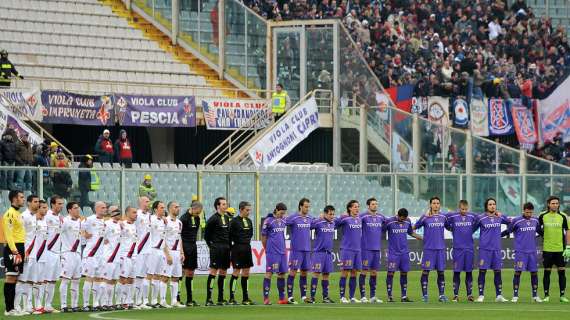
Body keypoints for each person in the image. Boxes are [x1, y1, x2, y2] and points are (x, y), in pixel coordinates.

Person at [502, 202, 542, 303]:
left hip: (532, 251)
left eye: (530, 212)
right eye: (527, 212)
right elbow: (508, 231)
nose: (529, 214)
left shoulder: (535, 220)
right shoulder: (516, 220)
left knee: (534, 273)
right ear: (523, 210)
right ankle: (515, 295)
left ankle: (535, 296)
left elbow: (540, 232)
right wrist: (497, 235)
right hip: (520, 252)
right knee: (518, 272)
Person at [474, 197, 510, 303]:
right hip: (484, 250)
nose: (492, 206)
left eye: (494, 204)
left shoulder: (499, 216)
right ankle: (481, 295)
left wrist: (504, 233)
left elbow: (510, 223)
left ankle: (499, 295)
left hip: (497, 250)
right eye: (490, 204)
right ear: (486, 206)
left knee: (498, 272)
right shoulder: (481, 218)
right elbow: (472, 229)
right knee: (482, 271)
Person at [414, 196, 449, 302]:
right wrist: (421, 238)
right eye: (434, 203)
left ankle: (441, 295)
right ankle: (425, 295)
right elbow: (412, 229)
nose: (436, 205)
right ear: (430, 205)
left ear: (440, 205)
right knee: (426, 272)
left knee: (441, 272)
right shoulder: (425, 217)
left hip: (440, 249)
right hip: (429, 249)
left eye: (438, 203)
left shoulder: (443, 217)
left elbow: (450, 227)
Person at [383, 208, 421, 302]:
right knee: (391, 273)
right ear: (398, 215)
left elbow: (411, 232)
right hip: (393, 253)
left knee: (404, 273)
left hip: (404, 253)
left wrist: (422, 238)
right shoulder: (390, 221)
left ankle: (404, 296)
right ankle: (389, 296)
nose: (403, 220)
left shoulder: (407, 221)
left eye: (404, 219)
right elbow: (381, 231)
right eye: (402, 219)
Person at [445, 200, 478, 302]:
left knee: (469, 272)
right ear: (459, 208)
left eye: (466, 209)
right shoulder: (453, 216)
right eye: (462, 209)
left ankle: (469, 295)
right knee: (457, 272)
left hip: (469, 249)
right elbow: (444, 221)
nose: (464, 211)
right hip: (457, 249)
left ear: (468, 208)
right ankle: (455, 295)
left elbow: (480, 220)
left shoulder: (472, 216)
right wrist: (451, 228)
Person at [538, 196, 570, 303]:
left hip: (560, 249)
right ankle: (546, 296)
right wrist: (544, 235)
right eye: (553, 203)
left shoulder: (563, 216)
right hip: (547, 249)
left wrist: (568, 246)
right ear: (548, 204)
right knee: (547, 273)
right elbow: (537, 228)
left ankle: (562, 296)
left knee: (562, 272)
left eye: (557, 203)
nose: (555, 205)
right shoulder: (542, 216)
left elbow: (568, 231)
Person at [285, 198, 313, 304]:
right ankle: (290, 297)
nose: (307, 208)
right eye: (306, 206)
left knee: (304, 272)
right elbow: (283, 222)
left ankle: (304, 296)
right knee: (292, 272)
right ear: (300, 206)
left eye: (308, 206)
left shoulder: (310, 218)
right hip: (296, 250)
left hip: (306, 250)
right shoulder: (293, 218)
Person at [204, 197, 231, 306]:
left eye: (226, 204)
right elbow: (206, 235)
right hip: (216, 248)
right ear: (218, 206)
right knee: (213, 271)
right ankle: (209, 299)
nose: (226, 206)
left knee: (223, 272)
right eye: (223, 204)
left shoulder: (227, 218)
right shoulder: (213, 219)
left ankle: (220, 298)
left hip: (226, 248)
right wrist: (212, 246)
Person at [2, 189, 25, 316]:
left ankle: (13, 307)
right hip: (13, 248)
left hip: (19, 247)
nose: (23, 199)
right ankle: (9, 309)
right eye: (21, 197)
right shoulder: (9, 214)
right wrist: (15, 252)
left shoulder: (18, 213)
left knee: (15, 278)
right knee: (10, 278)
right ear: (15, 199)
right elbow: (9, 235)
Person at [15, 195, 39, 314]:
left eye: (38, 202)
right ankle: (16, 305)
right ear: (29, 203)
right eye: (35, 202)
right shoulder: (23, 216)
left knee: (30, 280)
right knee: (21, 280)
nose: (37, 204)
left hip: (34, 253)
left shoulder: (35, 217)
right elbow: (19, 235)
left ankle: (27, 306)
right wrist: (22, 252)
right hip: (26, 252)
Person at [81, 201, 107, 312]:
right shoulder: (90, 219)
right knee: (89, 278)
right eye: (102, 207)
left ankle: (96, 303)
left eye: (105, 208)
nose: (104, 209)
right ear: (96, 209)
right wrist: (85, 235)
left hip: (101, 254)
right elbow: (81, 228)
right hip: (91, 254)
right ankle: (86, 304)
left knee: (98, 279)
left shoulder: (105, 222)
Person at [359, 198, 385, 303]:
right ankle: (363, 296)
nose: (375, 206)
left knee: (374, 272)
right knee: (364, 271)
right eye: (373, 204)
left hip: (376, 249)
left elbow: (391, 221)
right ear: (368, 206)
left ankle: (373, 296)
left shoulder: (381, 217)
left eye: (376, 204)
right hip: (366, 248)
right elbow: (353, 219)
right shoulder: (363, 216)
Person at [336, 200, 363, 303]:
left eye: (358, 207)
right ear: (350, 208)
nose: (357, 208)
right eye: (355, 207)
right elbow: (335, 224)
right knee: (344, 272)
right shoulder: (345, 219)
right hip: (347, 249)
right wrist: (340, 216)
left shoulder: (359, 219)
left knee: (354, 273)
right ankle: (342, 297)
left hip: (357, 250)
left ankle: (352, 297)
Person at [261, 203, 288, 305]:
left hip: (282, 252)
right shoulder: (268, 221)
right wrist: (267, 249)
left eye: (284, 213)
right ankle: (266, 298)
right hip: (272, 252)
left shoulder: (283, 220)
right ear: (276, 210)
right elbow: (263, 237)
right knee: (269, 273)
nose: (282, 215)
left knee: (281, 274)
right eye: (281, 213)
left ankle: (281, 299)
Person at [228, 201, 255, 305]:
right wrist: (232, 248)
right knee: (236, 272)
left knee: (246, 272)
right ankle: (232, 297)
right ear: (241, 209)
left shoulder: (249, 221)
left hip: (247, 248)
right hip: (237, 248)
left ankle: (245, 298)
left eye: (249, 210)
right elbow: (229, 236)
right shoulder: (234, 221)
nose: (249, 212)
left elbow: (251, 233)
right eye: (247, 210)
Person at [309, 205, 336, 303]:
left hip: (328, 253)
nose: (332, 216)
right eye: (330, 214)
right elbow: (310, 225)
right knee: (316, 274)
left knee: (326, 275)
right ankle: (312, 297)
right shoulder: (319, 222)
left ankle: (325, 297)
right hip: (319, 253)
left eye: (333, 214)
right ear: (325, 214)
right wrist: (317, 218)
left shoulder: (333, 223)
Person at [59, 202, 83, 312]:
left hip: (78, 254)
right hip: (67, 253)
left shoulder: (80, 222)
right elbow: (56, 234)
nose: (78, 210)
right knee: (65, 280)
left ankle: (74, 305)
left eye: (78, 208)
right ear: (69, 210)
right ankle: (63, 305)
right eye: (75, 208)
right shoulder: (65, 221)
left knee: (76, 280)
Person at [147, 201, 171, 308]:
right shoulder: (151, 219)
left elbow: (164, 238)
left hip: (161, 251)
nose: (163, 209)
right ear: (155, 209)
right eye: (161, 208)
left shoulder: (164, 221)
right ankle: (144, 300)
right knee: (149, 275)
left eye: (164, 208)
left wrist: (167, 253)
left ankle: (155, 300)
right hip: (152, 250)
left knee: (158, 276)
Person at [27, 200, 49, 315]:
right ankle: (29, 305)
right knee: (31, 281)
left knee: (40, 281)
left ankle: (39, 305)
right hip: (33, 255)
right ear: (38, 208)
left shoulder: (45, 222)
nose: (46, 210)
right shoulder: (33, 221)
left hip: (43, 255)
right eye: (43, 207)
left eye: (46, 208)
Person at [43, 195, 65, 313]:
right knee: (45, 279)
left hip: (57, 253)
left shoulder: (61, 218)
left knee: (52, 280)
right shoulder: (46, 216)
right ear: (52, 204)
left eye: (62, 204)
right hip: (47, 251)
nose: (61, 206)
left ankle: (48, 305)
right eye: (59, 204)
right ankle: (38, 304)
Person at [100, 206, 123, 311]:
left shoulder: (119, 225)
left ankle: (109, 302)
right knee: (106, 279)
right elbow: (101, 238)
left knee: (113, 280)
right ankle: (103, 302)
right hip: (109, 256)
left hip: (117, 256)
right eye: (118, 213)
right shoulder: (107, 224)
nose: (120, 215)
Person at [180, 200, 202, 307]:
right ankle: (177, 298)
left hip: (193, 246)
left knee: (191, 272)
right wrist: (181, 250)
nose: (198, 214)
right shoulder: (183, 219)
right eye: (197, 212)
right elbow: (179, 235)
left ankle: (190, 299)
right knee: (181, 272)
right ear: (193, 208)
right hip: (184, 246)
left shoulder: (197, 218)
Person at [165, 201, 185, 308]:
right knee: (165, 277)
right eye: (175, 207)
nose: (178, 208)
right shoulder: (166, 221)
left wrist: (181, 252)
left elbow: (179, 238)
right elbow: (162, 238)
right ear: (170, 209)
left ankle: (174, 300)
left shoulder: (179, 222)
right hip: (168, 251)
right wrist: (167, 253)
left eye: (179, 207)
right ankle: (162, 300)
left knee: (176, 277)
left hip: (177, 252)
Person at [133, 196, 152, 309]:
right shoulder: (137, 214)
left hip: (148, 250)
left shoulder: (150, 216)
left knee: (143, 276)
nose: (148, 203)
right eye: (146, 201)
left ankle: (140, 301)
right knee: (136, 275)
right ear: (140, 203)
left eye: (149, 201)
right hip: (139, 249)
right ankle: (133, 301)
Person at [117, 206, 138, 310]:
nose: (136, 214)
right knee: (123, 279)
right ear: (127, 213)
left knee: (131, 280)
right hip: (125, 255)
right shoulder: (121, 224)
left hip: (134, 256)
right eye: (134, 212)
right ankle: (119, 301)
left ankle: (129, 301)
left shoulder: (134, 225)